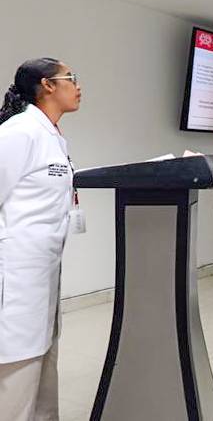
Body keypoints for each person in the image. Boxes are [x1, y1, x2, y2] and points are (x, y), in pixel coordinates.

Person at [0, 58, 82, 421]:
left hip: (43, 273)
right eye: (71, 78)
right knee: (17, 375)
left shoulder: (52, 135)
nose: (78, 86)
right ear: (47, 85)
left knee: (44, 368)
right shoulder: (19, 132)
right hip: (17, 277)